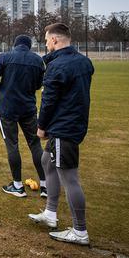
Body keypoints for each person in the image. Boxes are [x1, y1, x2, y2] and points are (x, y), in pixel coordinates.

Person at [29, 23, 94, 246]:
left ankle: (80, 231)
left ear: (55, 41)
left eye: (47, 40)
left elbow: (48, 101)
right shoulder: (84, 61)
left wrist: (41, 126)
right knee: (46, 160)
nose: (46, 44)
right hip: (74, 123)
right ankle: (50, 214)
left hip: (63, 127)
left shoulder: (57, 67)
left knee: (70, 178)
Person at [0, 35, 47, 198]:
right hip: (28, 107)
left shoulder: (4, 57)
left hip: (7, 108)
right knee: (35, 144)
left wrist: (5, 88)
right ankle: (45, 185)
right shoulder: (38, 60)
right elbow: (38, 85)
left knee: (12, 145)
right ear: (29, 46)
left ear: (14, 45)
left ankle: (18, 186)